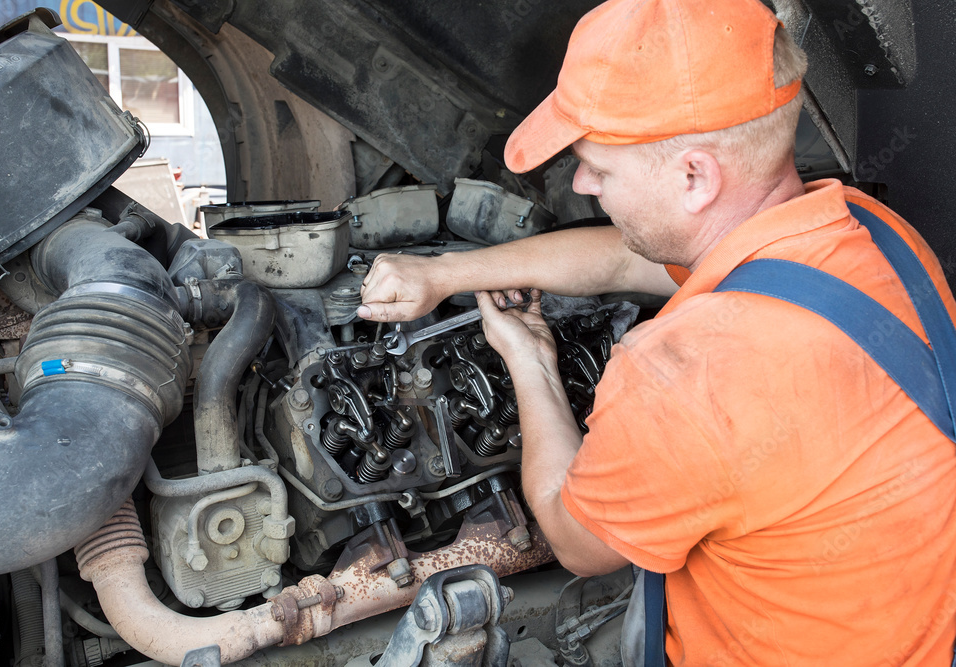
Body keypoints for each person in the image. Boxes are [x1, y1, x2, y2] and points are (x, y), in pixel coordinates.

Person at [358, 0, 956, 663]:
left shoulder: (684, 374)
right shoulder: (877, 237)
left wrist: (528, 360)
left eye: (599, 168)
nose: (583, 184)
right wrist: (442, 275)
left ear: (695, 176)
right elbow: (624, 257)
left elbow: (573, 538)